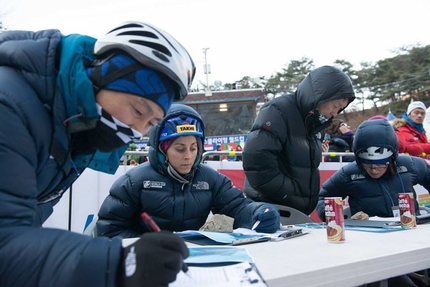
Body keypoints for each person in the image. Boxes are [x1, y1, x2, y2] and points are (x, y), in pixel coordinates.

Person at [0, 21, 196, 287]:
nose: (138, 130)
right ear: (102, 77)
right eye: (139, 111)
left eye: (151, 123)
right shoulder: (9, 106)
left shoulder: (74, 126)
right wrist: (117, 263)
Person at [96, 104, 280, 238]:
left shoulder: (211, 179)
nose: (188, 157)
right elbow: (109, 229)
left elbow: (237, 207)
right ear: (162, 149)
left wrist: (257, 212)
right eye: (180, 149)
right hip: (144, 264)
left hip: (190, 260)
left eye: (193, 148)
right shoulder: (133, 181)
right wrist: (147, 247)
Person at [317, 119, 430, 286]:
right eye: (367, 165)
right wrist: (342, 219)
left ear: (392, 159)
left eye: (381, 164)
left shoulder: (409, 165)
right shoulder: (349, 173)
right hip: (372, 247)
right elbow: (323, 199)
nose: (374, 170)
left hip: (412, 239)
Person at [242, 66, 356, 215]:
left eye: (340, 108)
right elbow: (256, 161)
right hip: (271, 208)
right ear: (322, 96)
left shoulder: (317, 124)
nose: (335, 113)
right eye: (335, 106)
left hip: (297, 211)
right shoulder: (278, 110)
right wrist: (289, 193)